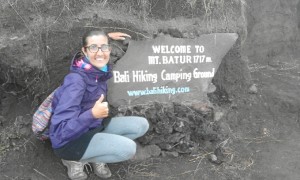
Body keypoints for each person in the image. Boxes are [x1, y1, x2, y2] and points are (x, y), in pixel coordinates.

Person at [49, 30, 149, 180]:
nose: (100, 53)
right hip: (69, 140)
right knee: (128, 149)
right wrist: (92, 115)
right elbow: (60, 131)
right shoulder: (76, 81)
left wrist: (106, 38)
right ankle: (73, 160)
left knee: (141, 125)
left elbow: (98, 49)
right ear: (84, 51)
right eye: (94, 47)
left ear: (109, 49)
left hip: (93, 126)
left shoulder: (97, 71)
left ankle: (96, 154)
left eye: (104, 47)